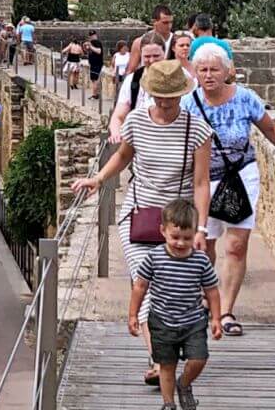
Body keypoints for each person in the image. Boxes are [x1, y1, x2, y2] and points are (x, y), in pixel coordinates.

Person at [73, 60, 213, 385]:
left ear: (182, 95)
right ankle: (158, 361)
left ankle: (169, 349)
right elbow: (123, 156)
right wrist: (99, 179)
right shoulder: (136, 121)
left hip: (178, 222)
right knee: (146, 287)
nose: (164, 104)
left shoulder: (198, 130)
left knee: (175, 294)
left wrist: (202, 227)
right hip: (139, 216)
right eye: (159, 97)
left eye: (171, 98)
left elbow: (202, 182)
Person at [183, 40, 275, 337]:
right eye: (202, 69)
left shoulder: (245, 98)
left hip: (240, 175)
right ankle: (206, 301)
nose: (208, 75)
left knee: (236, 244)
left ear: (227, 71)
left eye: (214, 69)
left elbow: (270, 128)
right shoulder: (189, 103)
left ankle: (226, 310)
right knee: (206, 244)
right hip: (204, 179)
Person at [129, 199, 222, 410]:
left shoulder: (200, 261)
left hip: (192, 321)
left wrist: (216, 318)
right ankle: (168, 405)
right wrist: (133, 314)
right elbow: (140, 286)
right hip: (161, 321)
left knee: (200, 358)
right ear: (163, 231)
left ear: (195, 235)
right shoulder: (154, 257)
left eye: (187, 238)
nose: (181, 243)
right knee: (166, 366)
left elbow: (212, 290)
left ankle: (185, 383)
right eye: (175, 237)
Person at [107, 42, 166, 143]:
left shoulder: (177, 78)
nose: (152, 61)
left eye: (156, 56)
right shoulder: (133, 80)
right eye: (147, 56)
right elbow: (119, 116)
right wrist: (116, 134)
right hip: (139, 138)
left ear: (164, 54)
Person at [126, 4, 174, 74]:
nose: (169, 26)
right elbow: (131, 70)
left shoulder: (176, 41)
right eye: (165, 23)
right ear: (154, 22)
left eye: (171, 22)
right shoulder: (139, 42)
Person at [86, 30, 105, 99]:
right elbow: (88, 51)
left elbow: (99, 51)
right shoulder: (91, 43)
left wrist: (90, 46)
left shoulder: (97, 42)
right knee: (94, 79)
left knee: (95, 79)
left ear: (95, 35)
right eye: (91, 36)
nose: (92, 37)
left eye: (93, 35)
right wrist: (86, 47)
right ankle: (96, 94)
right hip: (93, 63)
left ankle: (95, 94)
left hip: (97, 63)